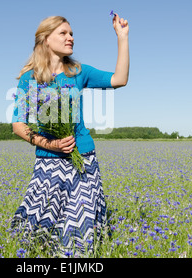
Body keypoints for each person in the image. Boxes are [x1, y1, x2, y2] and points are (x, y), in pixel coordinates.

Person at [10, 14, 129, 257]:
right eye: (63, 33)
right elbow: (18, 125)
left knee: (82, 232)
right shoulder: (28, 79)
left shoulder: (78, 72)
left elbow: (120, 80)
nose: (70, 38)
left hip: (83, 157)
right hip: (48, 161)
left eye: (72, 33)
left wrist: (122, 38)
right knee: (38, 229)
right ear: (45, 39)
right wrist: (51, 144)